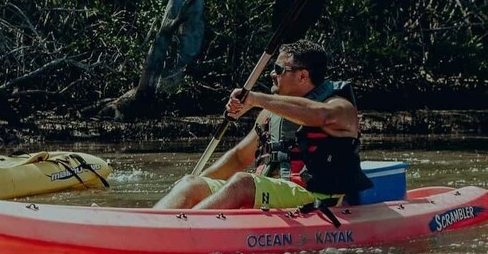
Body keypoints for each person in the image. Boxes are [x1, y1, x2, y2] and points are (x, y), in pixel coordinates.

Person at [154, 40, 372, 210]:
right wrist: (199, 184)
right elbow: (240, 157)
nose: (271, 74)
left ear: (303, 75)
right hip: (271, 194)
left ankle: (182, 229)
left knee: (242, 182)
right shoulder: (270, 115)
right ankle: (153, 225)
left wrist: (255, 99)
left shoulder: (340, 107)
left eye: (278, 69)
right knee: (191, 183)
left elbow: (320, 115)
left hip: (315, 196)